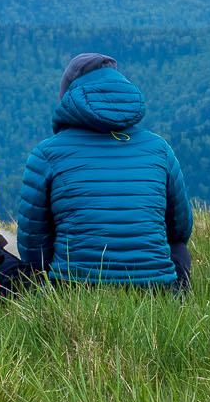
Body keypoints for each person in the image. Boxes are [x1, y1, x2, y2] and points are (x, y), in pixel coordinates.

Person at [16, 53, 193, 290]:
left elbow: (32, 246)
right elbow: (180, 228)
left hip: (73, 290)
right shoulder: (159, 148)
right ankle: (178, 299)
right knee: (178, 248)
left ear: (68, 96)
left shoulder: (46, 153)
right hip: (155, 291)